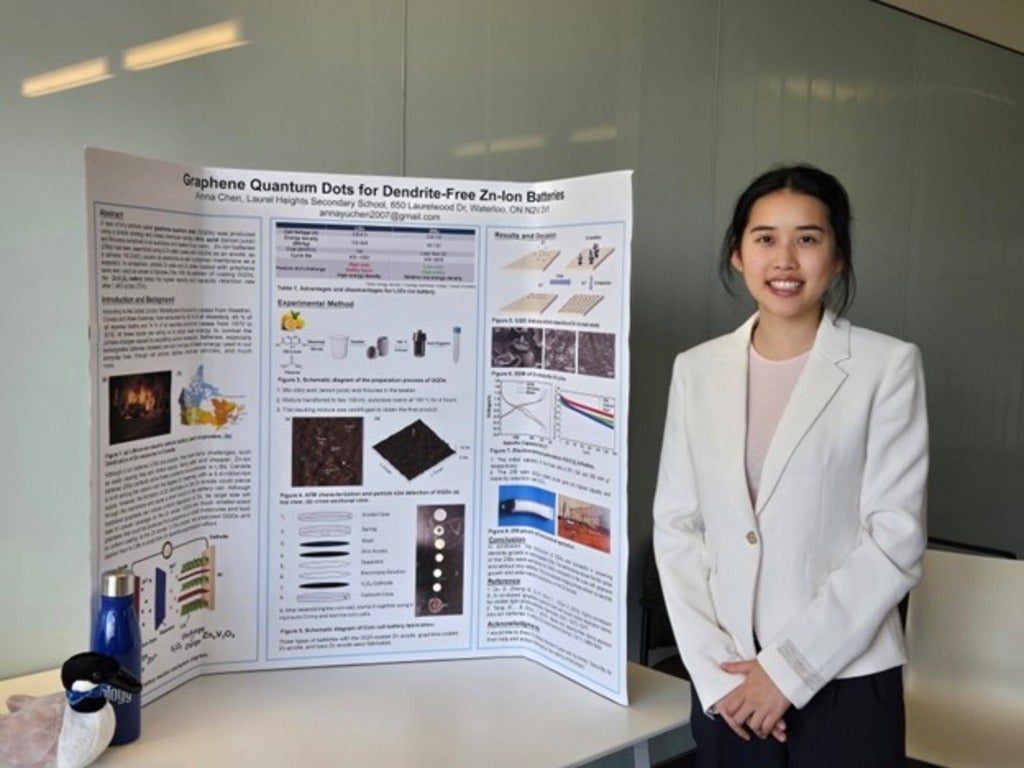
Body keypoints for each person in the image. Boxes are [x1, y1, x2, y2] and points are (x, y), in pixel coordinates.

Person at [652, 164, 928, 767]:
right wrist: (715, 674)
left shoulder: (887, 367)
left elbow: (895, 540)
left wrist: (785, 672)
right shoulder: (695, 371)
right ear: (737, 255)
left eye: (807, 239)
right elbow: (677, 528)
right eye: (764, 238)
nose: (784, 259)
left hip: (845, 678)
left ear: (838, 257)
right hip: (727, 683)